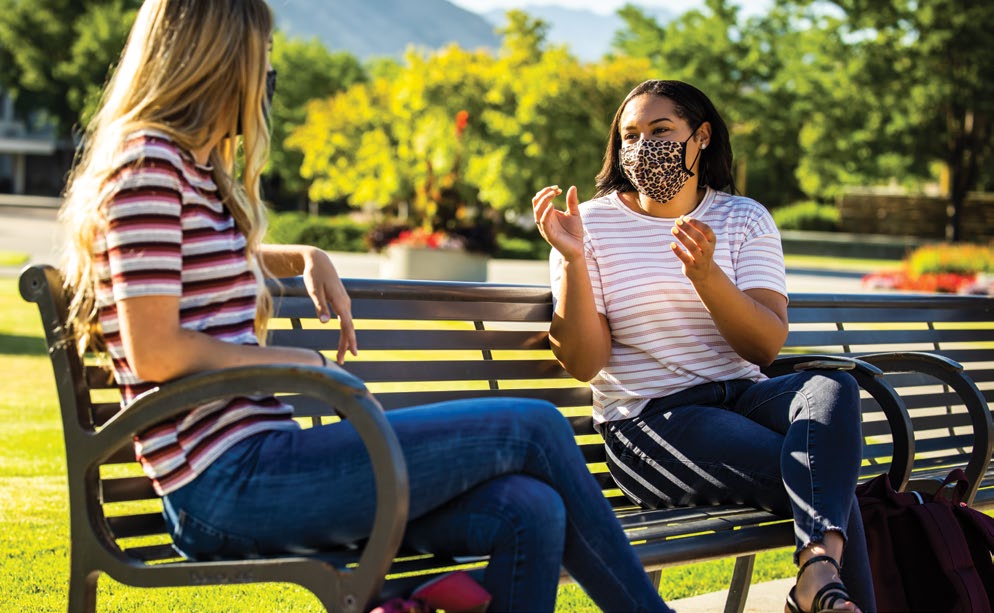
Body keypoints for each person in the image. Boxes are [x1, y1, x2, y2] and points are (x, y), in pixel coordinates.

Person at [57, 2, 674, 611]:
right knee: (534, 426)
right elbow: (156, 349)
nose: (269, 73)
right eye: (264, 55)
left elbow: (186, 256)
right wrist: (300, 362)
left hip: (263, 464)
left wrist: (299, 255)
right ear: (218, 58)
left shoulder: (191, 171)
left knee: (527, 509)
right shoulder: (148, 165)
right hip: (224, 486)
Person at [532, 79, 874, 613]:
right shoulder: (589, 225)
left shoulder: (743, 218)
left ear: (702, 136)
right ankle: (820, 580)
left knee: (834, 387)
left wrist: (708, 275)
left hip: (742, 398)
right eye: (630, 135)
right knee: (823, 478)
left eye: (661, 130)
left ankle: (817, 577)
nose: (644, 146)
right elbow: (584, 363)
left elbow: (763, 346)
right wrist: (573, 260)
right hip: (651, 422)